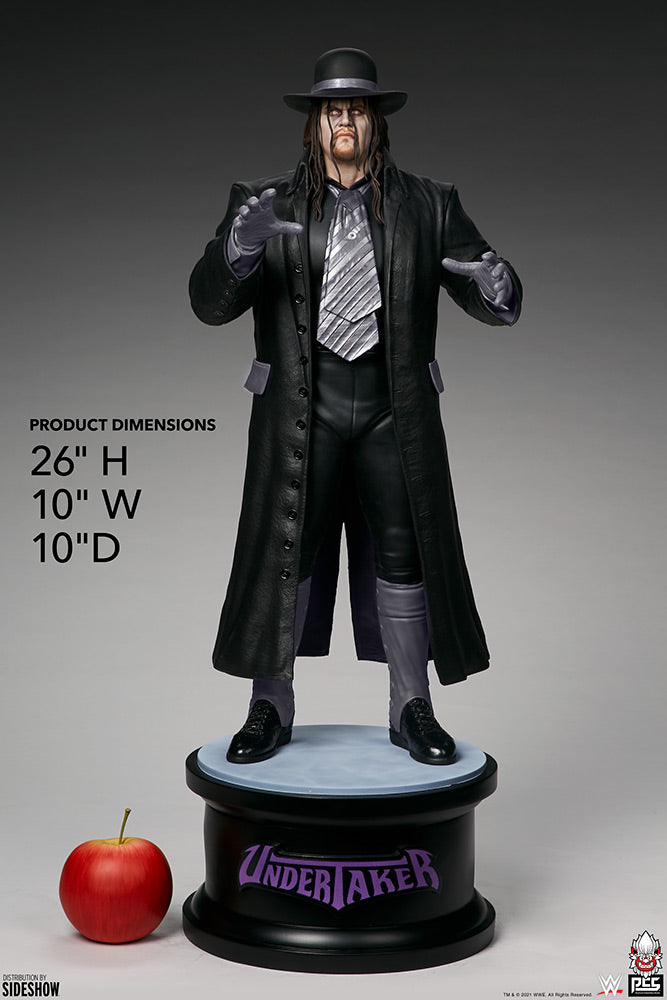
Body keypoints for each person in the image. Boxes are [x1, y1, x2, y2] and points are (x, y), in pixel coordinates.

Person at [189, 48, 522, 766]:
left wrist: (497, 285)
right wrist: (238, 248)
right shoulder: (263, 201)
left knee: (405, 553)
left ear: (377, 121)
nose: (344, 119)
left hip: (391, 412)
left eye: (357, 108)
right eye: (332, 109)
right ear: (314, 124)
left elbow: (484, 283)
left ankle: (411, 706)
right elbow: (209, 304)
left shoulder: (430, 203)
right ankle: (269, 706)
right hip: (297, 413)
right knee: (288, 551)